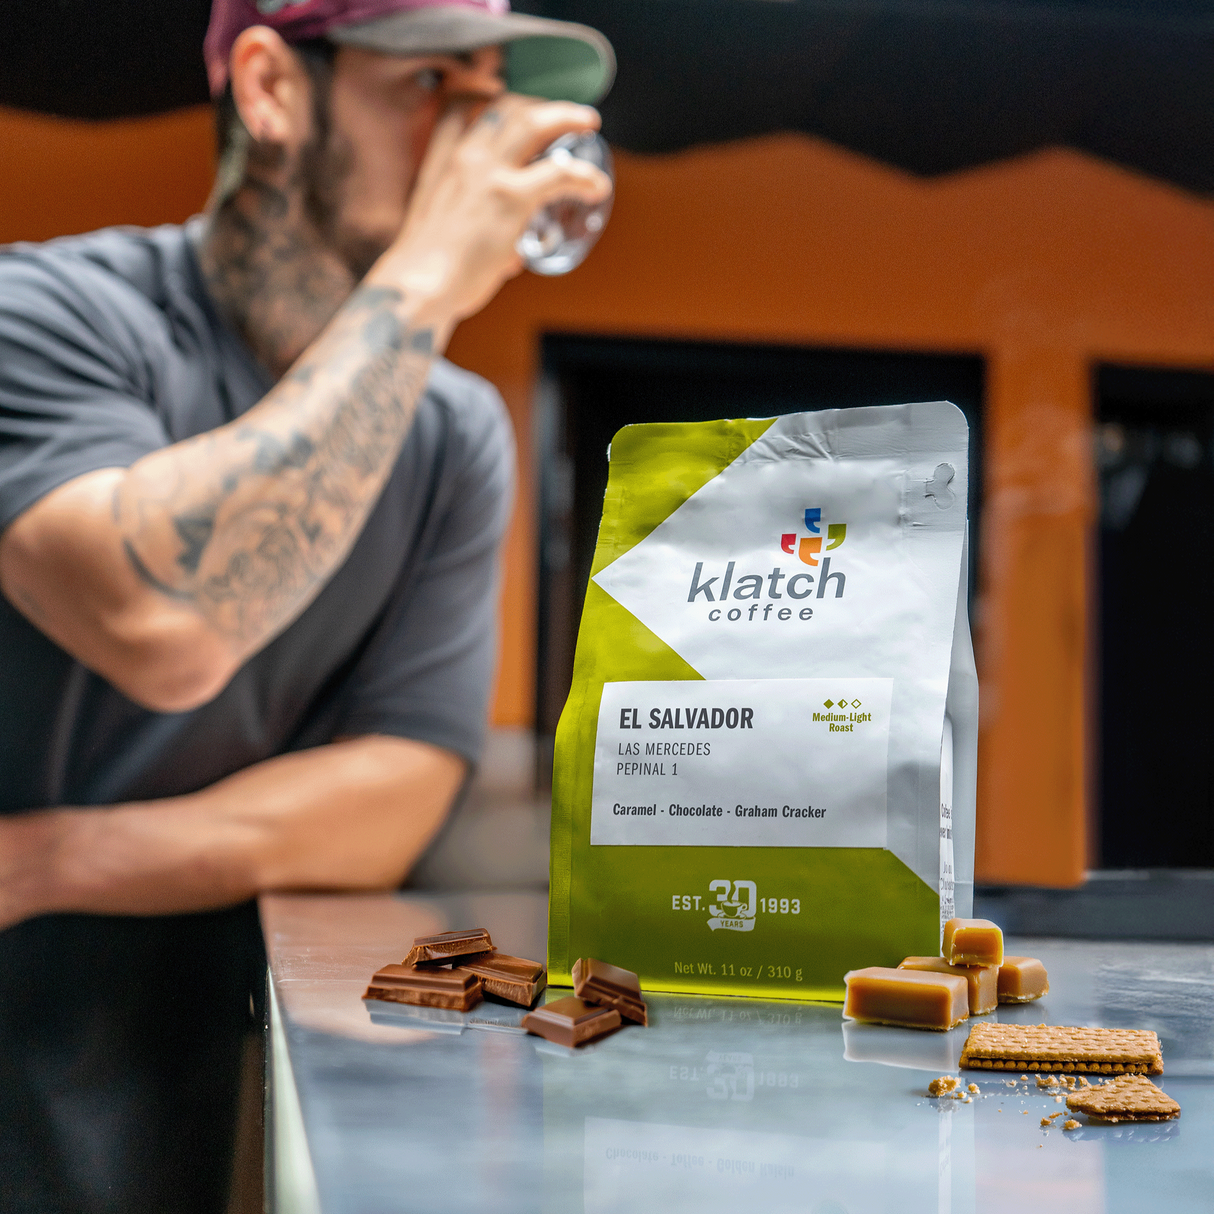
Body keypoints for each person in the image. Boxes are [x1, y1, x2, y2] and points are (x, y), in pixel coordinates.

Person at [0, 1, 614, 1209]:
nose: (469, 145)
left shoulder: (453, 431)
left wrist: (44, 856)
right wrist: (427, 274)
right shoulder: (45, 314)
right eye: (427, 87)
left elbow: (393, 790)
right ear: (272, 87)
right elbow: (166, 629)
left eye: (487, 99)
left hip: (200, 1055)